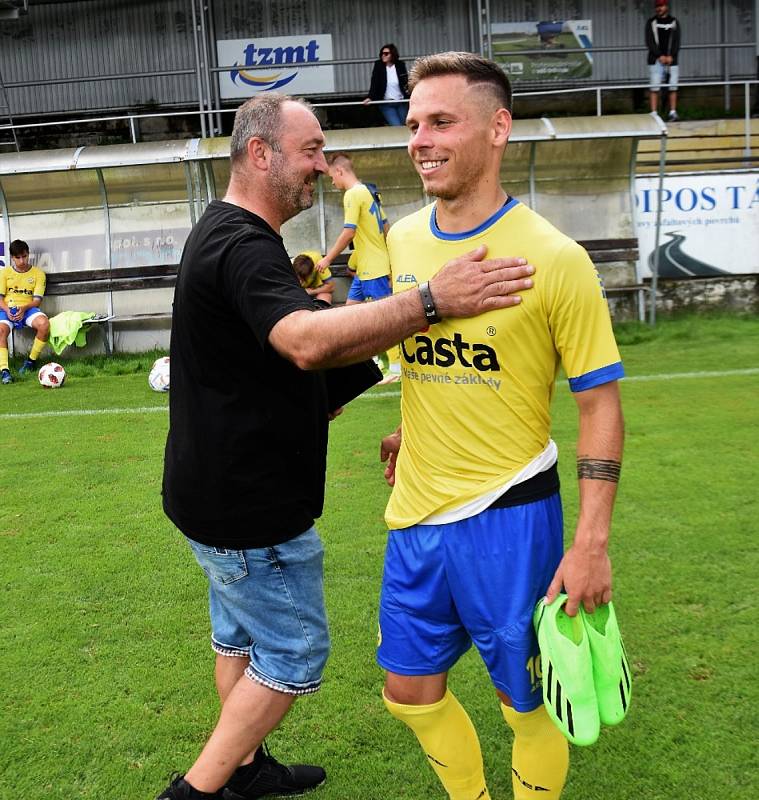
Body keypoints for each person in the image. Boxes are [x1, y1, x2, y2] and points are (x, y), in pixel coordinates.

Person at [157, 91, 536, 800]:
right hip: (250, 510)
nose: (321, 166)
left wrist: (376, 356)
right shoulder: (242, 244)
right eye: (311, 152)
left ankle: (247, 767)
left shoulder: (224, 231)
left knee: (238, 635)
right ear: (260, 153)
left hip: (208, 496)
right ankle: (199, 792)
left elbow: (272, 367)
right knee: (294, 652)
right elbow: (302, 344)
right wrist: (430, 303)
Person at [377, 52, 625, 800]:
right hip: (414, 513)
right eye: (414, 123)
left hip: (509, 520)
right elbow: (430, 360)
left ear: (498, 128)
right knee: (406, 693)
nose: (419, 138)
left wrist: (589, 545)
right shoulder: (401, 240)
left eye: (441, 121)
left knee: (529, 704)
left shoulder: (555, 258)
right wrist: (409, 425)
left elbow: (599, 406)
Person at [317, 153, 400, 380]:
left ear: (340, 172)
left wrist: (328, 260)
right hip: (366, 269)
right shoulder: (369, 192)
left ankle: (396, 366)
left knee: (385, 318)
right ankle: (370, 358)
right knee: (351, 314)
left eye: (331, 177)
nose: (332, 182)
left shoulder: (353, 194)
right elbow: (386, 226)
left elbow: (349, 231)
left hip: (374, 269)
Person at [0, 239, 50, 385]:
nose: (21, 261)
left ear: (28, 255)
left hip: (28, 309)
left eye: (24, 256)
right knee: (1, 331)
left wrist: (23, 309)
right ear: (12, 258)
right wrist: (8, 310)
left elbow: (37, 301)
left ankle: (30, 362)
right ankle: (4, 371)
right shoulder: (4, 273)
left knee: (44, 325)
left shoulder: (38, 274)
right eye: (18, 257)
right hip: (7, 309)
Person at [646, 0, 681, 121]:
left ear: (666, 7)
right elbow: (649, 41)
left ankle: (672, 112)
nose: (659, 8)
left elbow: (677, 41)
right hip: (655, 60)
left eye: (661, 6)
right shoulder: (651, 22)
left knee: (673, 86)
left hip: (672, 60)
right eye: (657, 6)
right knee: (654, 86)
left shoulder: (674, 22)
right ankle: (654, 113)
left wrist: (671, 55)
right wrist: (660, 55)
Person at [363, 43, 409, 126]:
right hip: (386, 103)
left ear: (393, 55)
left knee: (405, 126)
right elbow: (374, 83)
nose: (383, 56)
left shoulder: (400, 65)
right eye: (382, 54)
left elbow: (406, 82)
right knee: (397, 126)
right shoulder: (378, 65)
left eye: (386, 54)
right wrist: (370, 97)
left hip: (401, 102)